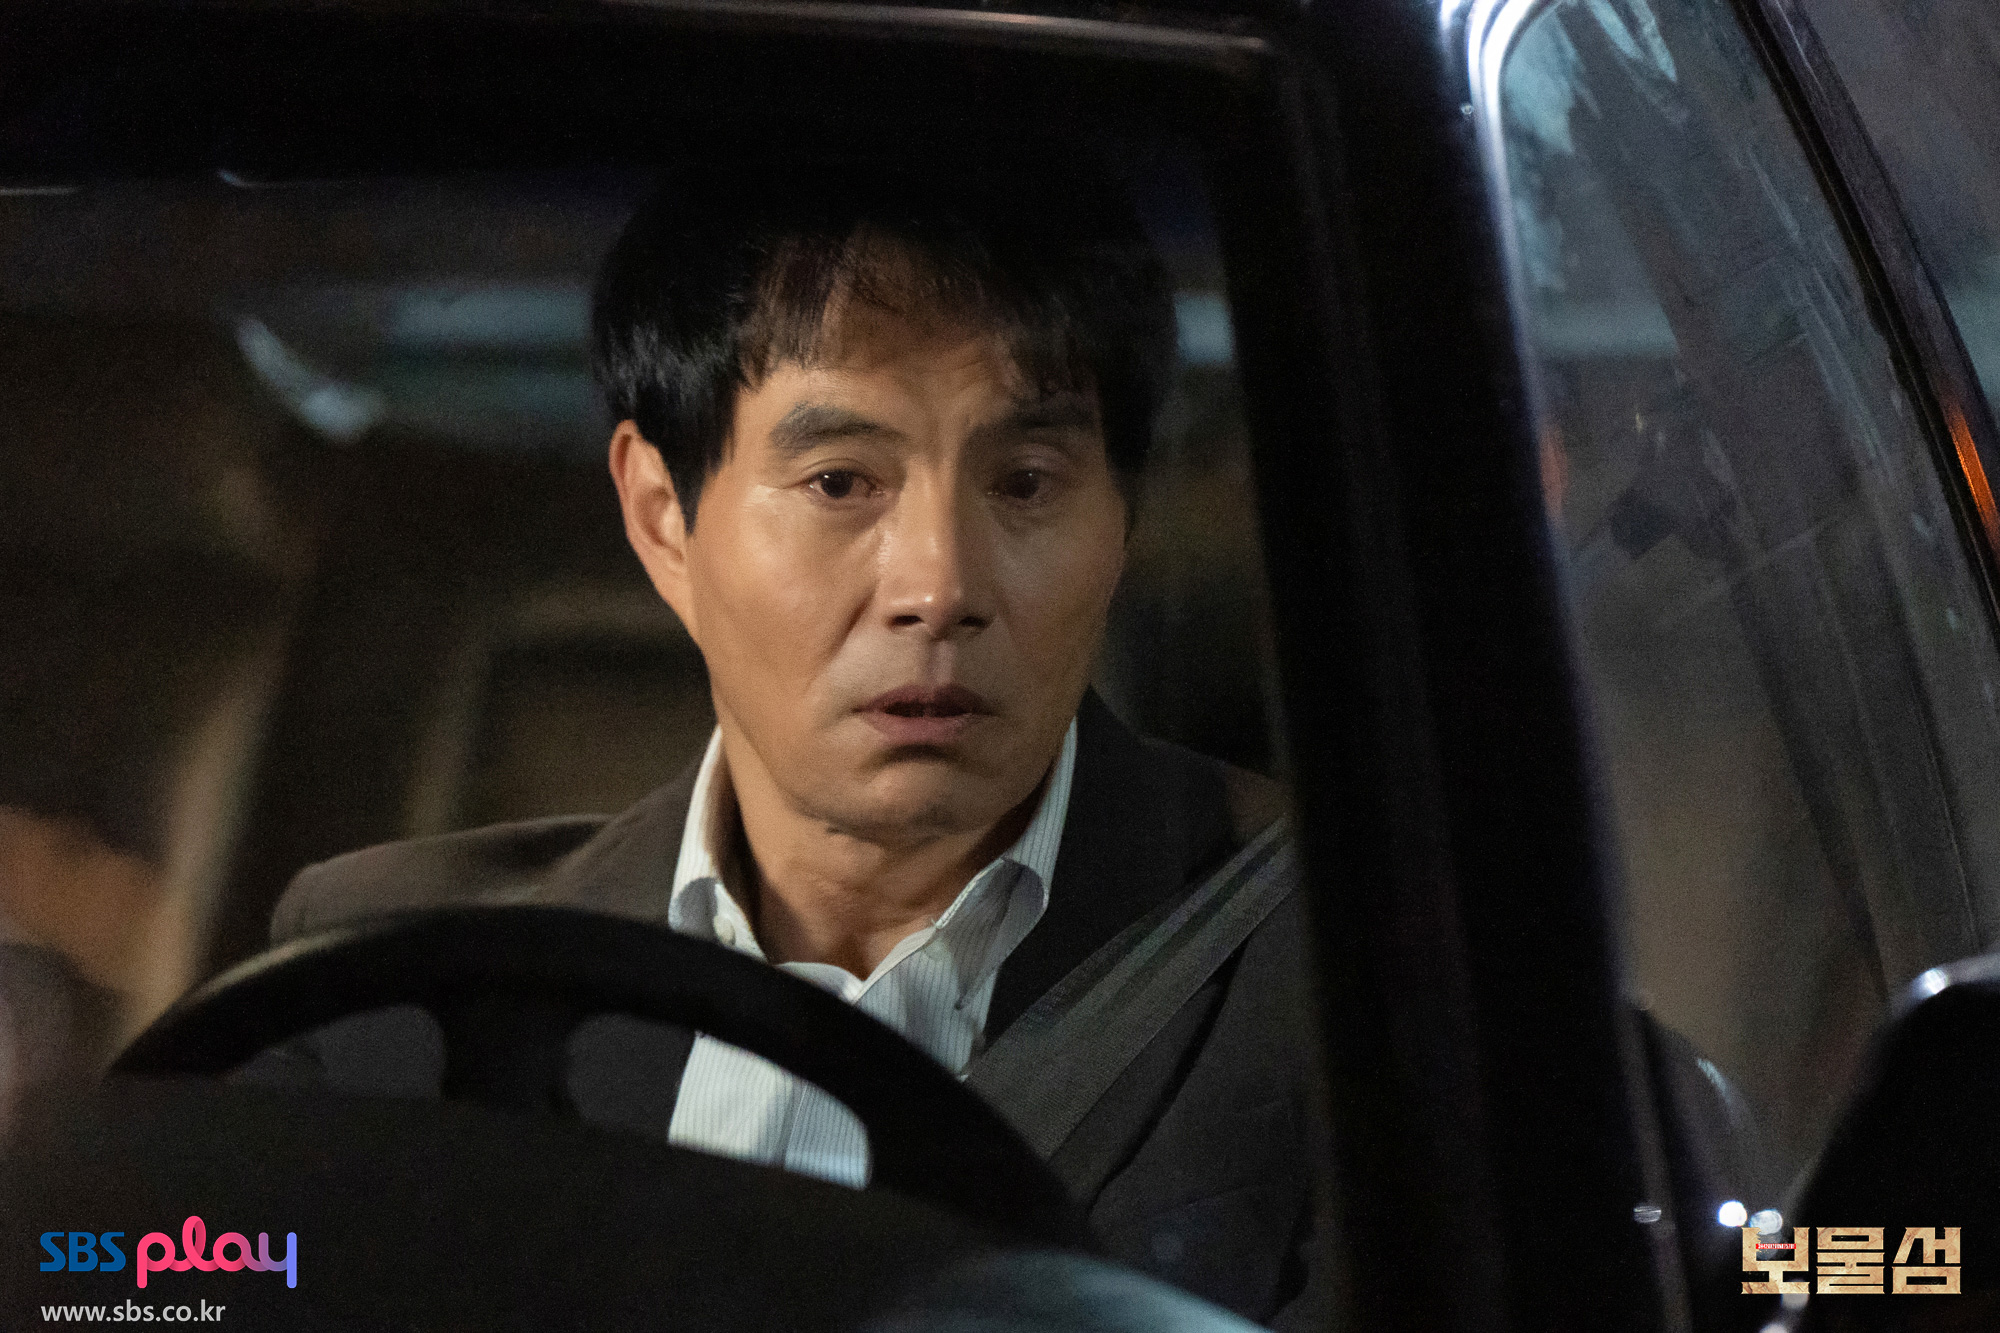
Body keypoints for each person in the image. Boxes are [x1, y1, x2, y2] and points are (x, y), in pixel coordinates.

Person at [268, 157, 1323, 1327]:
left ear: (1120, 518)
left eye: (1025, 482)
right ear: (663, 520)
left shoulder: (1335, 962)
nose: (938, 587)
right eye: (839, 482)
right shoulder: (397, 987)